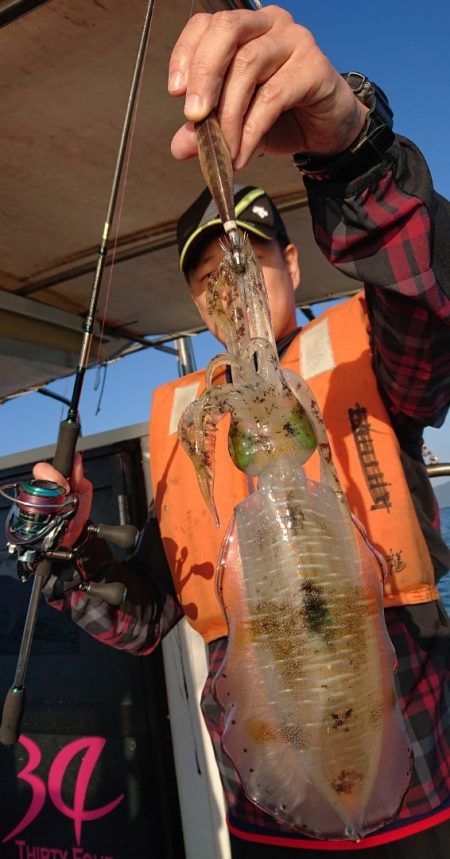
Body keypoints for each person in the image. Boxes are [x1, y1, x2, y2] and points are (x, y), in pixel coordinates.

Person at [34, 5, 450, 857]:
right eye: (209, 281)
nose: (234, 288)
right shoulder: (189, 423)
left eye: (251, 259)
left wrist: (353, 151)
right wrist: (73, 557)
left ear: (292, 261)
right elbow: (149, 616)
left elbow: (428, 294)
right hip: (270, 813)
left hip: (423, 793)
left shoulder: (379, 358)